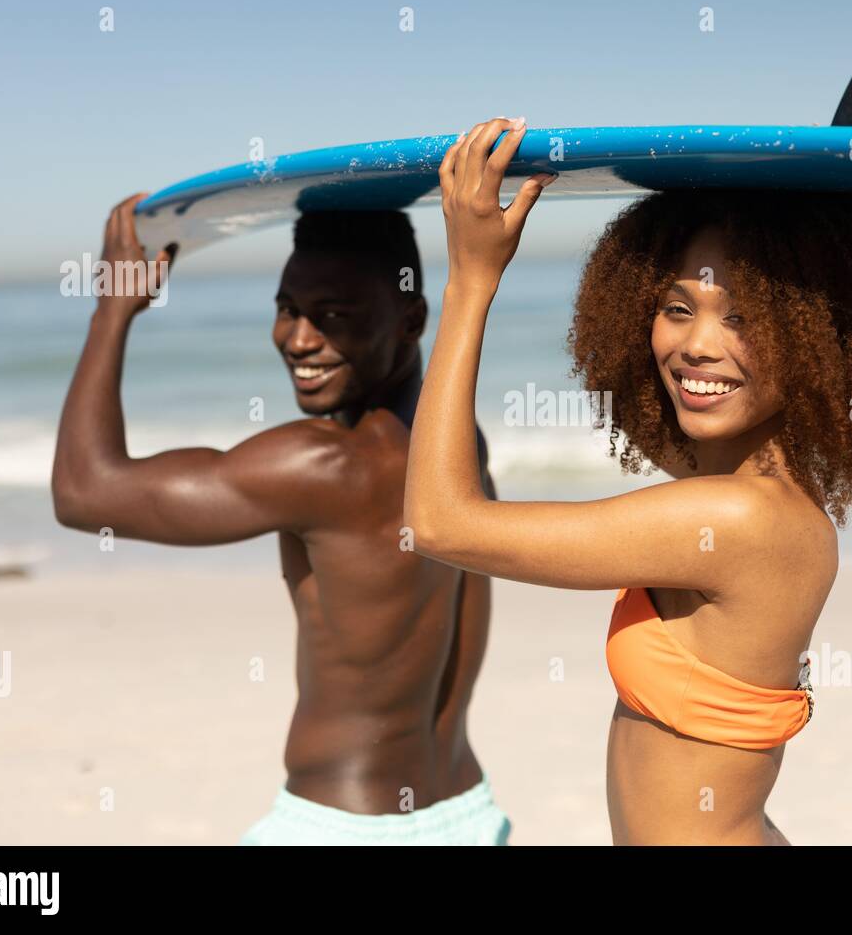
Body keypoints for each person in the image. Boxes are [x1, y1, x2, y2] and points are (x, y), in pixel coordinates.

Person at [404, 117, 852, 844]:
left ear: (822, 339)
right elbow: (639, 410)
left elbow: (436, 522)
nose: (696, 346)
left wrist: (470, 281)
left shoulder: (737, 521)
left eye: (744, 317)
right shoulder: (745, 483)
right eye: (676, 309)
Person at [52, 197, 510, 845]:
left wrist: (112, 310)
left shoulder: (322, 464)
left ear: (411, 320)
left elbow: (83, 493)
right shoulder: (460, 445)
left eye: (333, 317)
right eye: (287, 309)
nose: (298, 339)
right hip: (466, 815)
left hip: (343, 827)